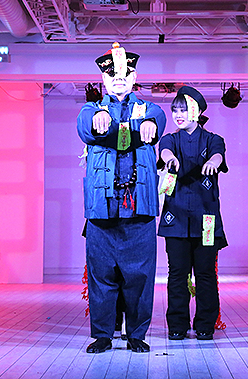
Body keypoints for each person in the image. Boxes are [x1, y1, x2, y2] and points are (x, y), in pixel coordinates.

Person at [77, 42, 166, 353]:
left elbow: (156, 122)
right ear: (103, 79)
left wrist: (147, 125)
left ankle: (136, 334)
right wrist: (98, 120)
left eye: (125, 75)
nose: (118, 79)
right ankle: (103, 335)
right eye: (112, 75)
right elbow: (86, 127)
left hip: (139, 209)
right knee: (101, 275)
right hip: (102, 210)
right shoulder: (91, 109)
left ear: (134, 77)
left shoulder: (149, 109)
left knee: (140, 277)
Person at [157, 85, 227, 341]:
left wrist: (213, 162)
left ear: (197, 112)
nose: (178, 115)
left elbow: (218, 156)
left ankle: (205, 325)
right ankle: (177, 325)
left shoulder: (213, 139)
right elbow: (164, 151)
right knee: (177, 274)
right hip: (175, 218)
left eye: (184, 110)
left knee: (206, 274)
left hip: (206, 219)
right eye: (175, 110)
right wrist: (169, 160)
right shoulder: (170, 139)